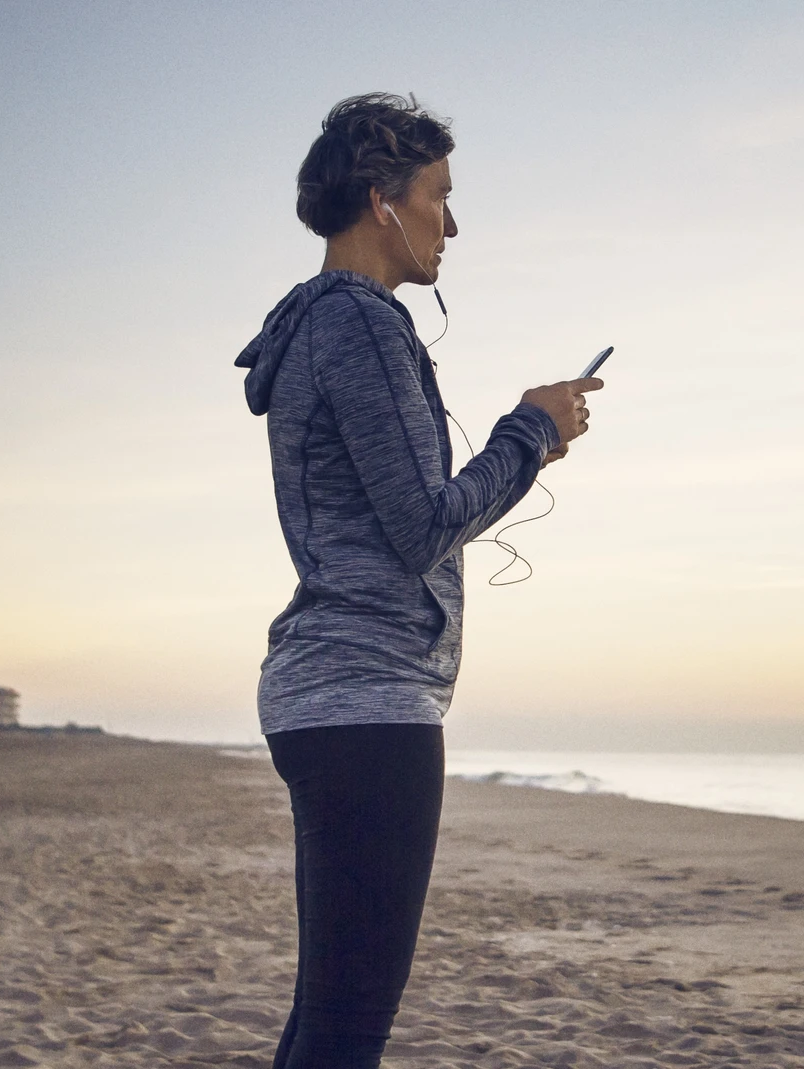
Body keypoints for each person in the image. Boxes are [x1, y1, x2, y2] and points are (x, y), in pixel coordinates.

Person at [233, 92, 601, 1068]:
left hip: (335, 698)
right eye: (439, 195)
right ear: (380, 199)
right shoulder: (357, 325)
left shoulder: (329, 328)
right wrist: (532, 430)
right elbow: (421, 525)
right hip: (367, 706)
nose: (454, 221)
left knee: (325, 1020)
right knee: (346, 1030)